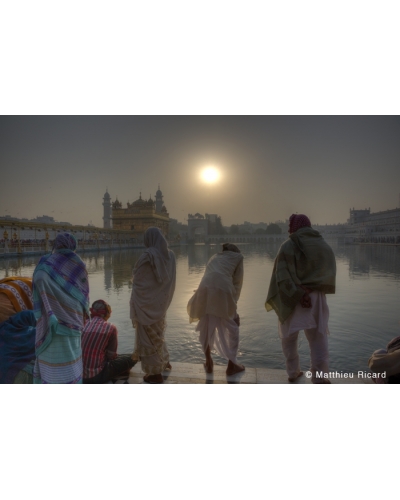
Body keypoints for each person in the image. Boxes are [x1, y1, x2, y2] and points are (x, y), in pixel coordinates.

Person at [265, 214, 336, 383]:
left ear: (294, 227)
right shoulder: (322, 245)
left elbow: (281, 275)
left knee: (289, 337)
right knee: (318, 338)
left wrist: (299, 291)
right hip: (316, 298)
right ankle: (319, 376)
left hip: (292, 297)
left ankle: (293, 372)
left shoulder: (288, 245)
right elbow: (329, 270)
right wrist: (311, 288)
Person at [32, 232, 90, 384]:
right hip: (72, 322)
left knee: (52, 364)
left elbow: (39, 278)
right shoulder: (78, 265)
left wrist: (49, 299)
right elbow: (84, 297)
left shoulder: (45, 263)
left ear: (55, 245)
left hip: (50, 323)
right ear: (73, 245)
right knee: (71, 364)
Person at [187, 242, 245, 376]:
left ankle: (209, 362)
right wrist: (233, 309)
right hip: (223, 288)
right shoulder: (238, 257)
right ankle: (231, 366)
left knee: (206, 326)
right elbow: (237, 283)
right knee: (234, 326)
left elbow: (209, 275)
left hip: (205, 288)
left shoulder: (214, 257)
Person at [130, 227, 176, 384]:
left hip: (146, 306)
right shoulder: (171, 256)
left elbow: (138, 281)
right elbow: (169, 281)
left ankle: (155, 374)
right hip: (161, 303)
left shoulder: (147, 256)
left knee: (149, 339)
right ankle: (165, 362)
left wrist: (137, 299)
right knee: (158, 334)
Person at [82, 299, 136, 383]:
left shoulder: (83, 323)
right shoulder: (111, 328)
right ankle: (123, 371)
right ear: (107, 314)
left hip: (79, 375)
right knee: (132, 357)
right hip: (97, 376)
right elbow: (111, 356)